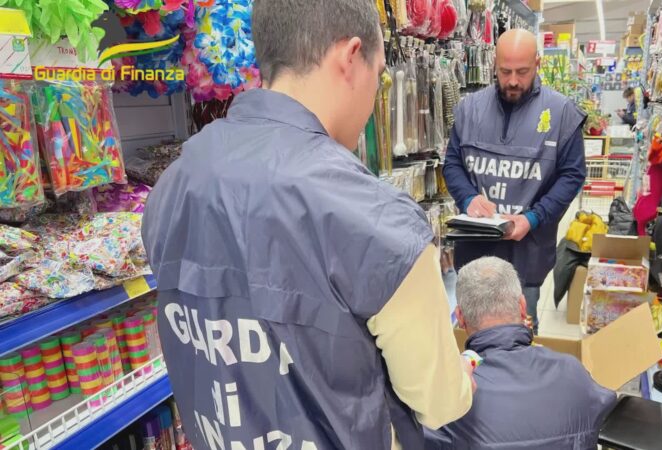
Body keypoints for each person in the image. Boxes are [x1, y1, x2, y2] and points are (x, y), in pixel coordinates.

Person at [142, 1, 473, 449]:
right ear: (351, 57)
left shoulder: (173, 185)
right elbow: (440, 403)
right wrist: (463, 378)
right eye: (378, 76)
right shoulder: (378, 223)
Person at [443, 29, 587, 331]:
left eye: (522, 72)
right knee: (468, 345)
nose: (512, 80)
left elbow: (572, 175)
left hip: (527, 257)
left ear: (537, 63)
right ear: (494, 64)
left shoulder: (561, 114)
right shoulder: (470, 110)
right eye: (505, 71)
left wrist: (533, 218)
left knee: (519, 340)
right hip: (473, 256)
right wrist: (468, 199)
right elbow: (453, 164)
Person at [425, 257, 617, 450]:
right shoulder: (571, 371)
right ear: (523, 307)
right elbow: (606, 405)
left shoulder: (450, 397)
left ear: (460, 318)